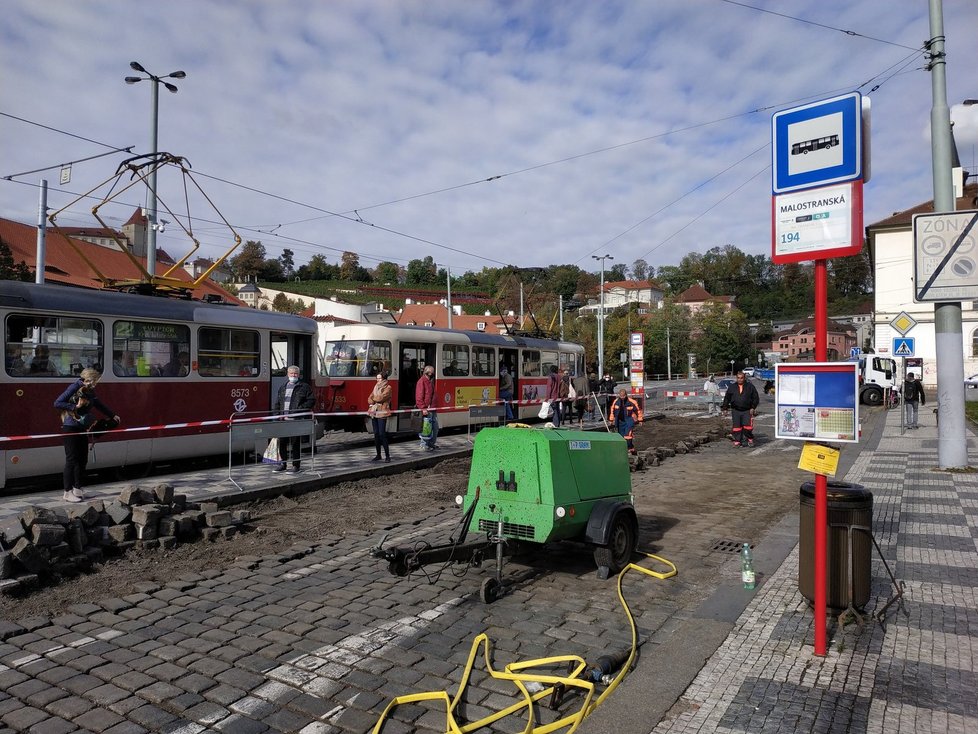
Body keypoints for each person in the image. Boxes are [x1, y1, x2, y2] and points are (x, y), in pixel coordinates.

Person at [53, 368, 120, 503]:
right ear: (88, 379)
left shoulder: (90, 391)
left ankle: (78, 488)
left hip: (82, 428)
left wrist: (113, 415)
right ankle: (67, 492)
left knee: (82, 459)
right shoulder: (75, 386)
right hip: (70, 427)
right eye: (94, 381)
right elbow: (57, 403)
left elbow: (98, 404)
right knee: (71, 460)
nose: (95, 384)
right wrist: (74, 407)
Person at [273, 365, 315, 473]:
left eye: (295, 374)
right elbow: (278, 402)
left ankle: (296, 466)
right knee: (282, 443)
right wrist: (277, 414)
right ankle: (283, 464)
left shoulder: (304, 387)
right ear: (288, 374)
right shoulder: (283, 387)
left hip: (296, 419)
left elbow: (311, 400)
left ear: (298, 375)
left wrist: (299, 410)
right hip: (283, 420)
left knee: (295, 443)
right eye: (291, 374)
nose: (293, 375)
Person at [721, 371, 760, 447]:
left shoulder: (750, 386)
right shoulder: (732, 387)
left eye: (741, 378)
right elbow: (727, 398)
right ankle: (737, 441)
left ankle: (750, 439)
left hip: (747, 410)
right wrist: (725, 408)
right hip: (736, 410)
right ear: (736, 378)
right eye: (738, 378)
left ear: (744, 378)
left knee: (747, 427)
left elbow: (756, 398)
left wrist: (753, 407)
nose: (740, 379)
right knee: (736, 428)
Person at [609, 387, 643, 454]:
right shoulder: (616, 402)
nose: (622, 398)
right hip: (620, 421)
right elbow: (612, 411)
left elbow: (638, 410)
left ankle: (629, 448)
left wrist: (640, 420)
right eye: (621, 396)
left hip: (629, 420)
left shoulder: (632, 402)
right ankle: (624, 449)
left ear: (626, 395)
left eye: (623, 396)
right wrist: (611, 420)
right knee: (621, 436)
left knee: (628, 435)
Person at [368, 370, 392, 461]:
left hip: (382, 412)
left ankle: (387, 456)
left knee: (382, 434)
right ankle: (378, 455)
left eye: (379, 378)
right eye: (377, 378)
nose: (377, 380)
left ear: (384, 379)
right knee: (376, 434)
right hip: (374, 412)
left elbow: (381, 398)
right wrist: (374, 399)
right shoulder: (375, 387)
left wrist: (374, 399)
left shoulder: (388, 387)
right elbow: (369, 399)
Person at [416, 364, 438, 450]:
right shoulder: (422, 382)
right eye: (431, 372)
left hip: (432, 408)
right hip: (427, 408)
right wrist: (423, 408)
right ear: (427, 372)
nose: (432, 374)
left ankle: (431, 443)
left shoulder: (429, 381)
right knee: (426, 428)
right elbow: (419, 397)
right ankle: (424, 444)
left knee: (435, 428)